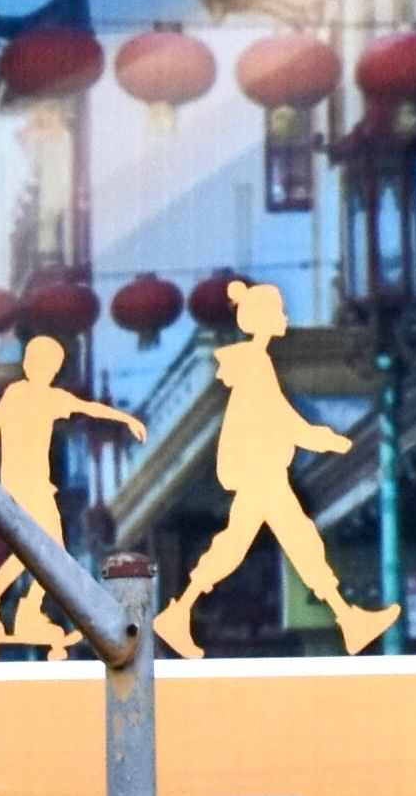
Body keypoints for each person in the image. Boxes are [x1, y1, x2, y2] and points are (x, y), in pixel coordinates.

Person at [160, 279, 395, 657]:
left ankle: (348, 619)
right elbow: (281, 419)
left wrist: (319, 437)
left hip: (262, 471)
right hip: (262, 472)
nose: (284, 317)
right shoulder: (254, 363)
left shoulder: (256, 362)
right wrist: (323, 439)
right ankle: (347, 619)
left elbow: (280, 417)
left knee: (270, 543)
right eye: (277, 311)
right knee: (278, 543)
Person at [0, 333, 136, 656]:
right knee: (49, 553)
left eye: (51, 366)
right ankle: (17, 608)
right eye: (43, 363)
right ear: (31, 365)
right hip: (22, 485)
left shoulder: (49, 398)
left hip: (36, 486)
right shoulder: (16, 393)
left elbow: (88, 408)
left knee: (40, 553)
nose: (46, 370)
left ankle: (6, 606)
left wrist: (126, 419)